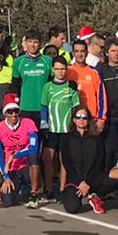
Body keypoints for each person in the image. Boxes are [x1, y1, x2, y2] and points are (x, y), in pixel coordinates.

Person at [39, 56, 80, 202]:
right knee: (47, 158)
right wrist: (43, 122)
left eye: (63, 69)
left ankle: (62, 190)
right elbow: (44, 106)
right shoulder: (47, 87)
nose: (60, 72)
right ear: (53, 70)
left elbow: (76, 107)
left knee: (64, 161)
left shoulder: (71, 86)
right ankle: (48, 189)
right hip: (51, 129)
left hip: (66, 129)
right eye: (57, 69)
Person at [58, 108, 112, 215]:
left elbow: (99, 162)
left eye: (84, 117)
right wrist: (80, 182)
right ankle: (86, 195)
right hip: (75, 180)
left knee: (115, 181)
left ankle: (94, 195)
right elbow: (67, 163)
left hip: (93, 179)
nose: (81, 120)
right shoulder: (66, 138)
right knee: (72, 208)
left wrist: (87, 182)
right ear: (74, 120)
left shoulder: (97, 139)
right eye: (78, 117)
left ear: (89, 119)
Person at [0, 97, 40, 208]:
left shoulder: (28, 123)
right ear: (5, 113)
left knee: (34, 156)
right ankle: (21, 187)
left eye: (16, 111)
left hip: (27, 166)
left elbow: (33, 148)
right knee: (7, 201)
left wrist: (14, 156)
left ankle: (34, 193)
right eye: (10, 111)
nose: (13, 114)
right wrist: (5, 177)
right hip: (11, 169)